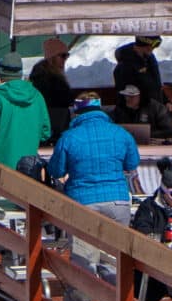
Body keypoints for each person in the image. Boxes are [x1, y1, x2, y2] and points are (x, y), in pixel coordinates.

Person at [48, 91, 140, 222]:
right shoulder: (121, 133)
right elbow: (132, 164)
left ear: (76, 113)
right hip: (117, 199)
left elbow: (56, 171)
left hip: (81, 201)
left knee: (81, 243)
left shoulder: (68, 137)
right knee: (116, 243)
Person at [0, 52, 51, 170]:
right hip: (28, 171)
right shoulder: (37, 97)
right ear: (20, 72)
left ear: (0, 72)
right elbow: (45, 133)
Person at [111, 36, 172, 141]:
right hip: (136, 110)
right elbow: (124, 93)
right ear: (142, 45)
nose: (151, 50)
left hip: (155, 106)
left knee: (163, 133)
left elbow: (156, 84)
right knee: (140, 136)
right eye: (149, 47)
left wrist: (165, 100)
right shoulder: (125, 65)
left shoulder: (150, 59)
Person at [30, 37, 77, 142]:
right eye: (63, 56)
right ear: (52, 57)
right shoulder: (48, 79)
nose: (65, 60)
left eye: (67, 56)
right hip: (54, 127)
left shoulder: (46, 75)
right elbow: (63, 100)